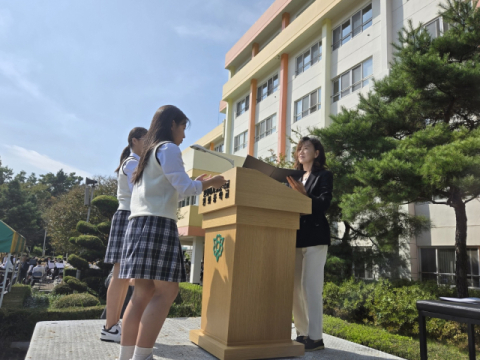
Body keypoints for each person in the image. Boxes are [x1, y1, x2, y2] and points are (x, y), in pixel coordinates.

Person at [117, 105, 227, 360]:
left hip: (138, 223)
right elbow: (183, 187)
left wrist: (195, 184)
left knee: (142, 293)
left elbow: (170, 187)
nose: (184, 135)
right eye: (183, 128)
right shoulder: (169, 148)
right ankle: (142, 356)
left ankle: (127, 356)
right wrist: (211, 183)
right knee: (167, 291)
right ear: (172, 125)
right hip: (158, 224)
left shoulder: (147, 153)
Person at [101, 126, 148, 343]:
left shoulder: (133, 162)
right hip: (127, 215)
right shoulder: (132, 163)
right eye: (146, 139)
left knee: (121, 275)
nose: (149, 143)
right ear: (135, 140)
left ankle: (112, 326)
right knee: (119, 274)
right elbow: (139, 190)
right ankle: (110, 327)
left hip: (129, 215)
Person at [286, 136, 333, 352]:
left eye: (307, 148)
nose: (301, 151)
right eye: (299, 149)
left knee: (310, 287)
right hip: (295, 237)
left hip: (315, 237)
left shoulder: (324, 175)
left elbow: (323, 203)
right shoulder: (292, 178)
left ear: (316, 153)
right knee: (295, 288)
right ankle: (302, 333)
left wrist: (305, 196)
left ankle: (316, 338)